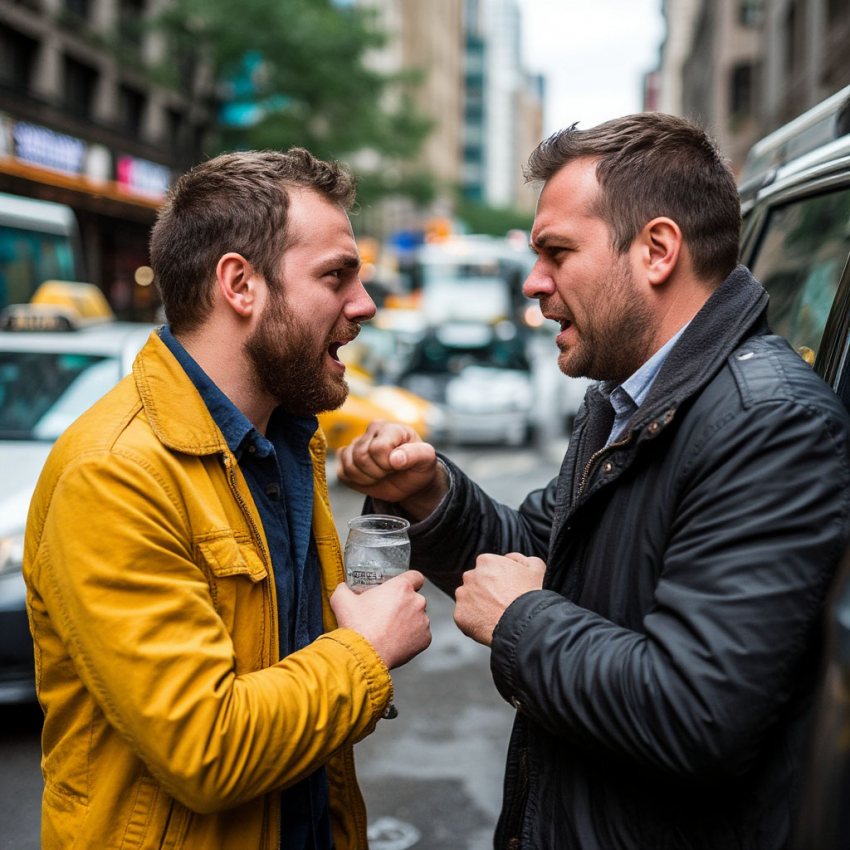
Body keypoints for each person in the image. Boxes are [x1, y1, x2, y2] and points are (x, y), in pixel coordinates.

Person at [337, 114, 850, 849]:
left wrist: (521, 621)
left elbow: (698, 712)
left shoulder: (767, 424)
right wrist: (430, 495)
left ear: (657, 250)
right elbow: (545, 550)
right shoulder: (626, 396)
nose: (533, 282)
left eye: (556, 252)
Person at [23, 148, 431, 850]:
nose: (364, 303)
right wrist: (366, 653)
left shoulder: (288, 440)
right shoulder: (115, 472)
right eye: (337, 275)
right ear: (240, 284)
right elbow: (205, 749)